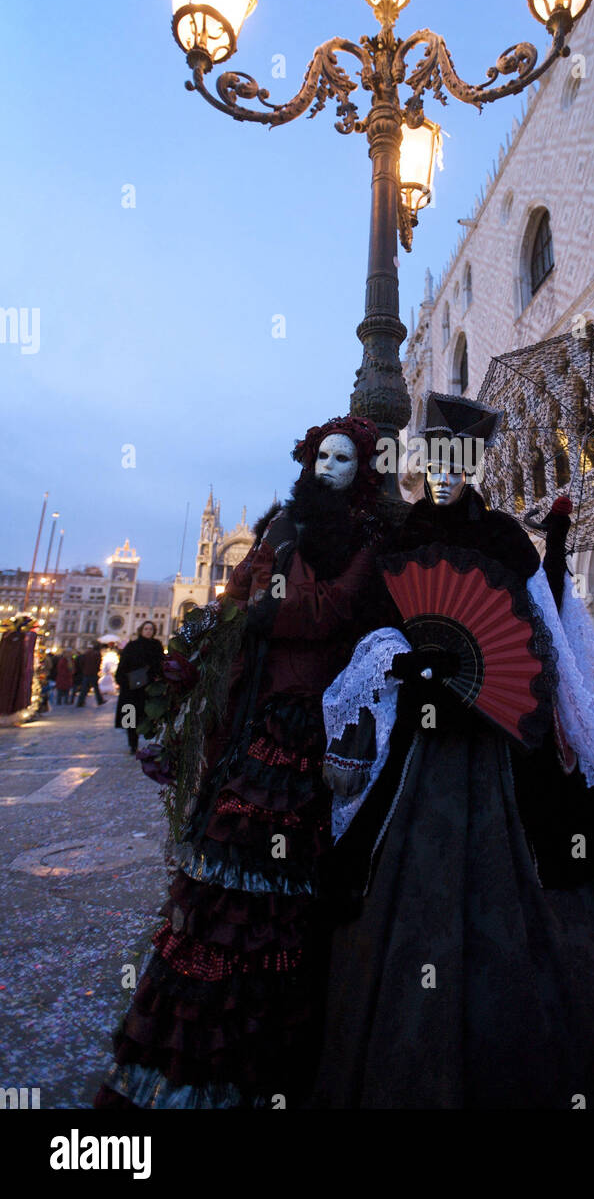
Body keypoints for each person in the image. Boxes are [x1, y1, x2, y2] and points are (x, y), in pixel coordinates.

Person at [311, 393, 594, 1111]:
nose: (444, 477)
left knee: (561, 880)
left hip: (507, 747)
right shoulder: (398, 535)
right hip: (421, 743)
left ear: (473, 466)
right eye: (434, 463)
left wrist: (555, 558)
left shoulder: (506, 538)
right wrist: (409, 660)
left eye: (458, 463)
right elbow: (374, 629)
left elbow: (537, 632)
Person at [95, 414, 398, 1110]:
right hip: (261, 738)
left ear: (363, 470)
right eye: (321, 455)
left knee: (294, 899)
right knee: (230, 899)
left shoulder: (358, 539)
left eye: (344, 458)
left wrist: (279, 608)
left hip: (316, 733)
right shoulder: (282, 530)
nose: (329, 466)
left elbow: (338, 620)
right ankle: (201, 1071)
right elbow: (257, 610)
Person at [115, 624, 164, 754]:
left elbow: (160, 664)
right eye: (146, 629)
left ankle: (153, 743)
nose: (148, 631)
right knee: (131, 716)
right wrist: (123, 681)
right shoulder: (132, 646)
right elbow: (123, 665)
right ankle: (132, 744)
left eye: (151, 629)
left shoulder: (156, 646)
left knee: (149, 715)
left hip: (149, 688)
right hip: (132, 687)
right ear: (141, 630)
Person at [77, 642, 105, 707]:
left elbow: (81, 663)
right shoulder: (97, 654)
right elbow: (98, 663)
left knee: (84, 689)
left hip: (86, 673)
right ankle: (99, 700)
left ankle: (80, 702)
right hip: (93, 673)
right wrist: (97, 670)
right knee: (96, 688)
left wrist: (84, 669)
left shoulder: (86, 654)